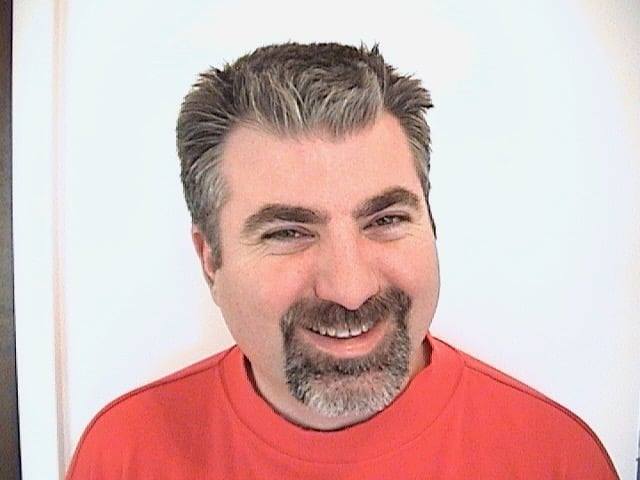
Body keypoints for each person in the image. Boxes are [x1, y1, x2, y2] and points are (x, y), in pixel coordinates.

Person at [66, 42, 618, 479]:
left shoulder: (556, 458)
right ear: (210, 259)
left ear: (432, 225)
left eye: (385, 220)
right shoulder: (122, 454)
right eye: (288, 232)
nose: (350, 289)